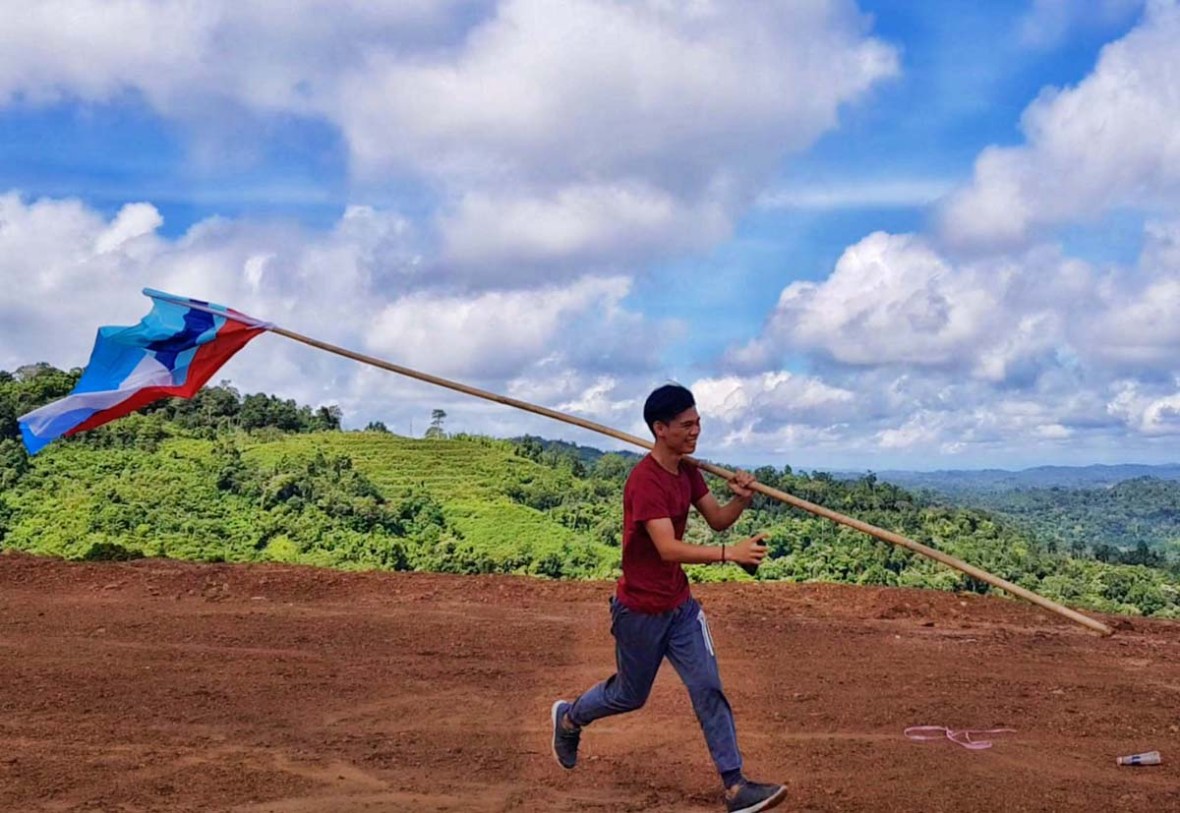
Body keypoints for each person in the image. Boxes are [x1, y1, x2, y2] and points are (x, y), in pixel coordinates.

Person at [551, 384, 787, 813]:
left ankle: (735, 787)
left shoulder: (688, 470)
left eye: (698, 422)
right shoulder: (644, 482)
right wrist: (729, 555)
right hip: (639, 611)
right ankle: (570, 717)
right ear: (660, 429)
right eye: (686, 425)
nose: (696, 430)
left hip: (680, 608)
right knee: (629, 695)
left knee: (707, 686)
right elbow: (667, 548)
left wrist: (741, 499)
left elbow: (717, 520)